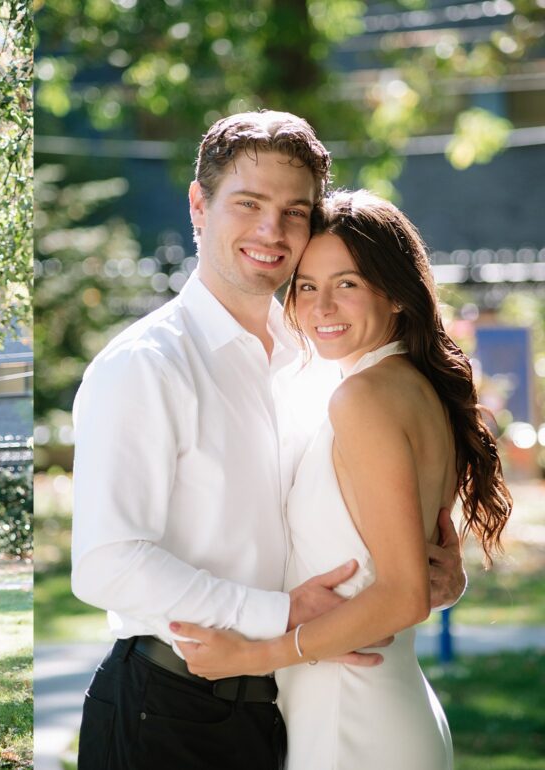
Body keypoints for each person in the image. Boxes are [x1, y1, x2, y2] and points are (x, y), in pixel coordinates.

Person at [70, 111, 468, 770]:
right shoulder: (145, 365)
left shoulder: (318, 362)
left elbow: (359, 536)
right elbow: (104, 563)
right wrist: (280, 615)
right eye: (248, 204)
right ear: (199, 205)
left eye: (294, 211)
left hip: (282, 709)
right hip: (169, 709)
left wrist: (434, 580)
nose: (270, 231)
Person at [170, 189, 511, 769]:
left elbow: (402, 592)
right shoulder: (401, 385)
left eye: (347, 284)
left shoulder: (363, 398)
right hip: (377, 706)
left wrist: (253, 655)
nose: (322, 306)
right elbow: (415, 577)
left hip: (351, 720)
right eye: (307, 286)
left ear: (396, 295)